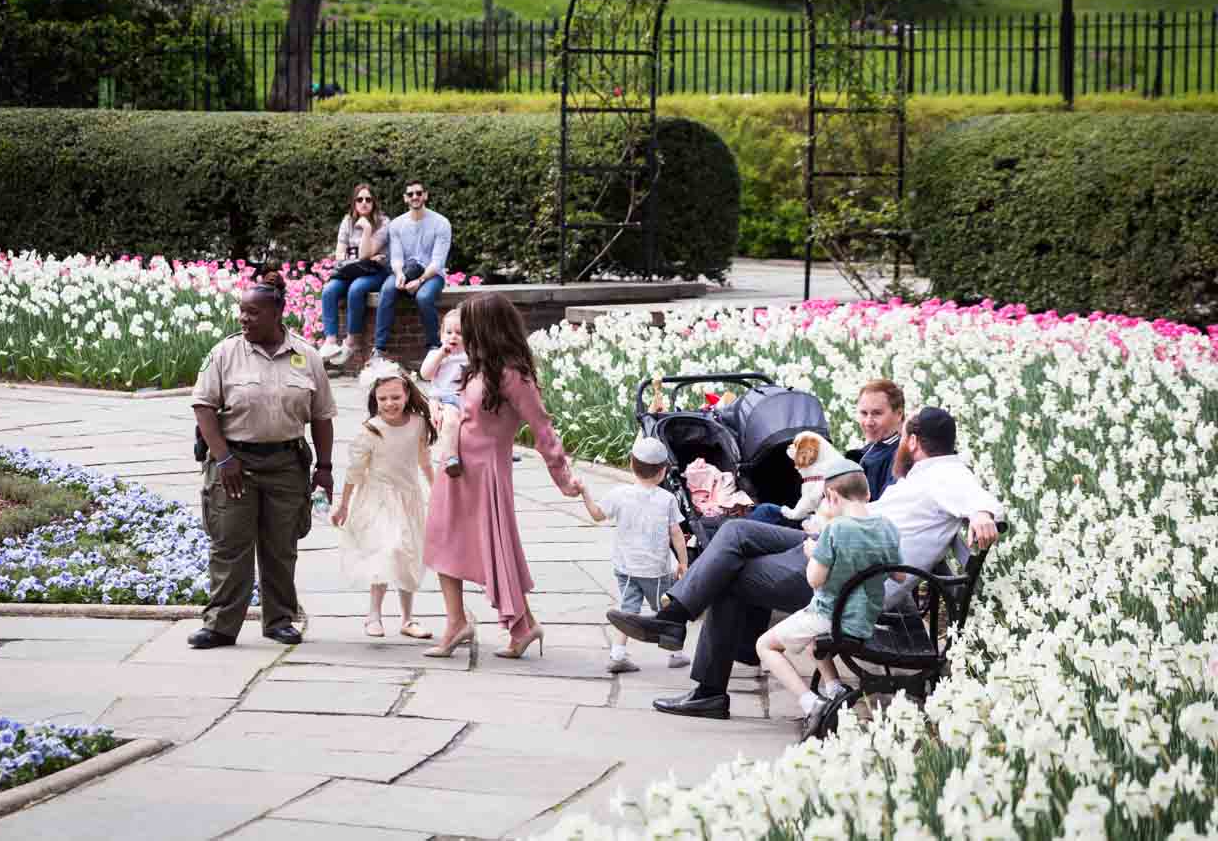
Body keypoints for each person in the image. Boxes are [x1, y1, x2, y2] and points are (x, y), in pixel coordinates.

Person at [606, 405, 1002, 719]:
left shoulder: (946, 475)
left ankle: (704, 681)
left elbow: (982, 501)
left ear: (913, 440)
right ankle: (676, 619)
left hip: (847, 578)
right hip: (843, 549)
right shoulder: (929, 473)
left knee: (731, 573)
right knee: (736, 533)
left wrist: (982, 513)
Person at [422, 292, 583, 659]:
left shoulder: (513, 375)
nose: (464, 332)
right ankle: (457, 621)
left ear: (489, 328)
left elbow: (543, 430)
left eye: (472, 325)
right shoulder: (476, 366)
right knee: (442, 540)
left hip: (487, 474)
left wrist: (564, 480)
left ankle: (523, 626)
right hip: (455, 467)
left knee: (495, 550)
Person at [189, 271, 337, 649]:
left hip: (286, 464)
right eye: (242, 311)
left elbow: (321, 416)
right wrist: (223, 459)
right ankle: (220, 625)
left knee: (281, 547)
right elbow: (203, 408)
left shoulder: (308, 357)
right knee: (230, 545)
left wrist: (324, 467)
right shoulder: (224, 353)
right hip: (234, 464)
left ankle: (280, 620)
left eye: (253, 312)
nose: (244, 319)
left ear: (277, 312)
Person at [754, 457, 901, 737]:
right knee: (813, 642)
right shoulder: (886, 527)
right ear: (868, 494)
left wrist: (813, 553)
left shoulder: (835, 530)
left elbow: (814, 579)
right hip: (864, 617)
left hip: (831, 616)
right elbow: (899, 576)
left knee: (766, 646)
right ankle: (836, 689)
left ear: (832, 496)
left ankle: (811, 704)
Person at [330, 361, 437, 640]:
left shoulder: (418, 424)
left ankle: (407, 618)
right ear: (374, 399)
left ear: (407, 396)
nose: (390, 403)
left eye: (396, 397)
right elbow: (355, 471)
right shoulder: (371, 429)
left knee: (409, 554)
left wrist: (437, 492)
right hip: (377, 499)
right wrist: (343, 505)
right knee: (386, 550)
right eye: (383, 399)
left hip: (409, 497)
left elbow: (424, 462)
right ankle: (373, 614)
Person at [577, 435, 690, 674]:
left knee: (628, 611)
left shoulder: (619, 494)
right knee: (667, 610)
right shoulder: (667, 499)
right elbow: (677, 534)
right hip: (656, 571)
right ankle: (676, 653)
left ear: (630, 463)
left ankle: (617, 655)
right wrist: (683, 562)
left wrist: (585, 493)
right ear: (663, 471)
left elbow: (597, 515)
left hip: (626, 568)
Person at [747, 379, 905, 527]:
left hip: (841, 528)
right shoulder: (873, 447)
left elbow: (882, 508)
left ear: (898, 414)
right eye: (864, 413)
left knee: (760, 517)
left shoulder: (897, 456)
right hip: (827, 515)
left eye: (877, 414)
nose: (868, 422)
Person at [372, 179, 453, 361]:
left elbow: (438, 261)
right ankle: (379, 349)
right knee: (387, 289)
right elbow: (397, 257)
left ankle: (434, 347)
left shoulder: (441, 223)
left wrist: (420, 280)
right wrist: (400, 274)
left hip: (431, 275)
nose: (415, 197)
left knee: (423, 297)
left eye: (418, 193)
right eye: (411, 194)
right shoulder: (397, 225)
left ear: (425, 195)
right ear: (405, 198)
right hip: (406, 270)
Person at [320, 183, 391, 366]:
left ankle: (351, 342)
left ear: (374, 202)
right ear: (354, 202)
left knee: (356, 289)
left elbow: (364, 254)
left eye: (368, 199)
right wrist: (360, 257)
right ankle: (330, 341)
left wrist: (367, 230)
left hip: (375, 272)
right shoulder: (347, 221)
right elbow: (339, 253)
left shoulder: (383, 222)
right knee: (329, 290)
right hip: (350, 272)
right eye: (360, 199)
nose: (364, 203)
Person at [419, 306, 468, 477]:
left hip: (469, 397)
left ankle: (499, 449)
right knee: (450, 422)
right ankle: (451, 457)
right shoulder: (436, 354)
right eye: (448, 332)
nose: (453, 336)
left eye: (459, 333)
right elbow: (425, 374)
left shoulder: (471, 355)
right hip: (447, 398)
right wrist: (441, 355)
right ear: (441, 336)